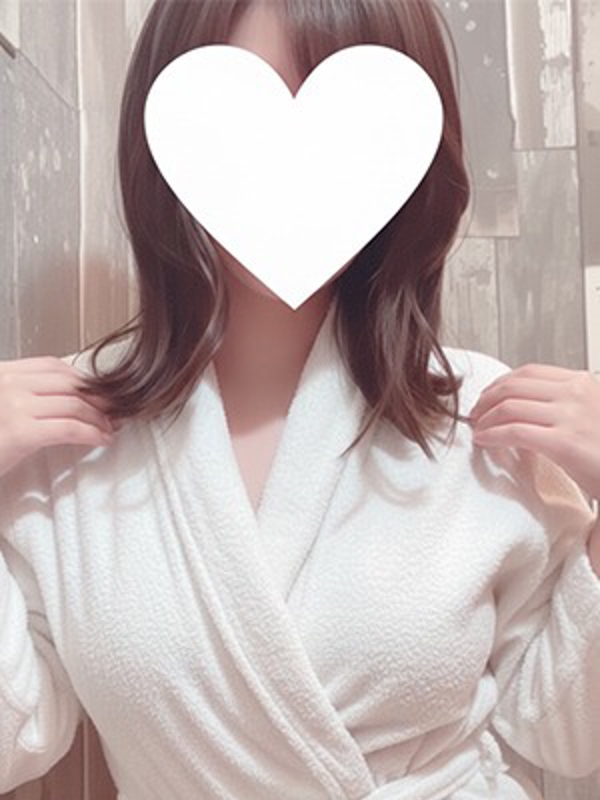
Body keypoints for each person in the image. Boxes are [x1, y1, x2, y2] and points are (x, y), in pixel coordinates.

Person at [0, 1, 599, 798]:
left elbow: (564, 732)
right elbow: (14, 738)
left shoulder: (485, 418)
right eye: (238, 120)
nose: (288, 171)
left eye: (343, 129)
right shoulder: (60, 435)